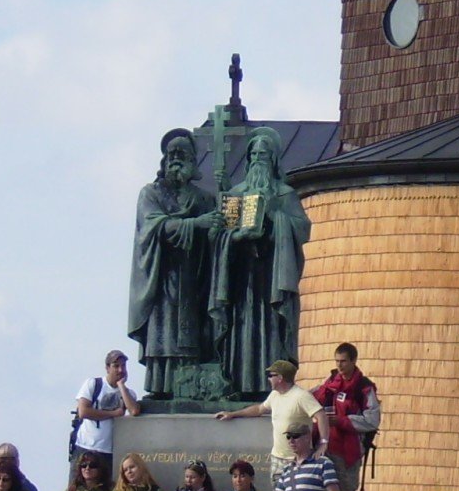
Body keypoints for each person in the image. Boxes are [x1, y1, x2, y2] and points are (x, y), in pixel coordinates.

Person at [207, 126, 313, 398]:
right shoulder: (236, 193)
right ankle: (239, 385)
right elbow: (220, 236)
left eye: (262, 155)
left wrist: (274, 217)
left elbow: (302, 228)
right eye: (252, 155)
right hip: (242, 277)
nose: (256, 160)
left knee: (271, 329)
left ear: (273, 160)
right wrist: (234, 235)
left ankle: (269, 387)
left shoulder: (284, 194)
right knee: (241, 330)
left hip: (272, 273)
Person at [128, 128, 218, 398]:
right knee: (164, 332)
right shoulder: (151, 194)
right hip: (162, 275)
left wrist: (215, 230)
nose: (176, 159)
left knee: (192, 334)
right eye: (172, 154)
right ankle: (162, 387)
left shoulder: (204, 198)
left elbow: (213, 236)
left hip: (193, 276)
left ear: (193, 160)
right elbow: (156, 226)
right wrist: (196, 224)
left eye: (183, 154)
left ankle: (189, 388)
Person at [215, 359, 330, 479]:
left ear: (280, 378)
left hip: (298, 459)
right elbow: (259, 409)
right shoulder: (274, 395)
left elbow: (321, 415)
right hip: (277, 458)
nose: (268, 379)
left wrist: (323, 443)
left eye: (270, 375)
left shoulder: (302, 396)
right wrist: (233, 414)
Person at [313, 342, 380, 491]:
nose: (339, 365)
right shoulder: (331, 382)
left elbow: (372, 420)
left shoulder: (363, 387)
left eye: (343, 361)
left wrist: (342, 421)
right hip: (325, 447)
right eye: (337, 361)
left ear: (354, 361)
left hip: (348, 451)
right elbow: (313, 395)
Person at [72, 350, 141, 461]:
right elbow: (83, 411)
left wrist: (121, 385)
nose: (120, 370)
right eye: (116, 366)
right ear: (108, 368)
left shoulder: (128, 393)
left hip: (110, 452)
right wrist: (113, 413)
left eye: (123, 366)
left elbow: (134, 411)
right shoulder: (93, 384)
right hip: (86, 447)